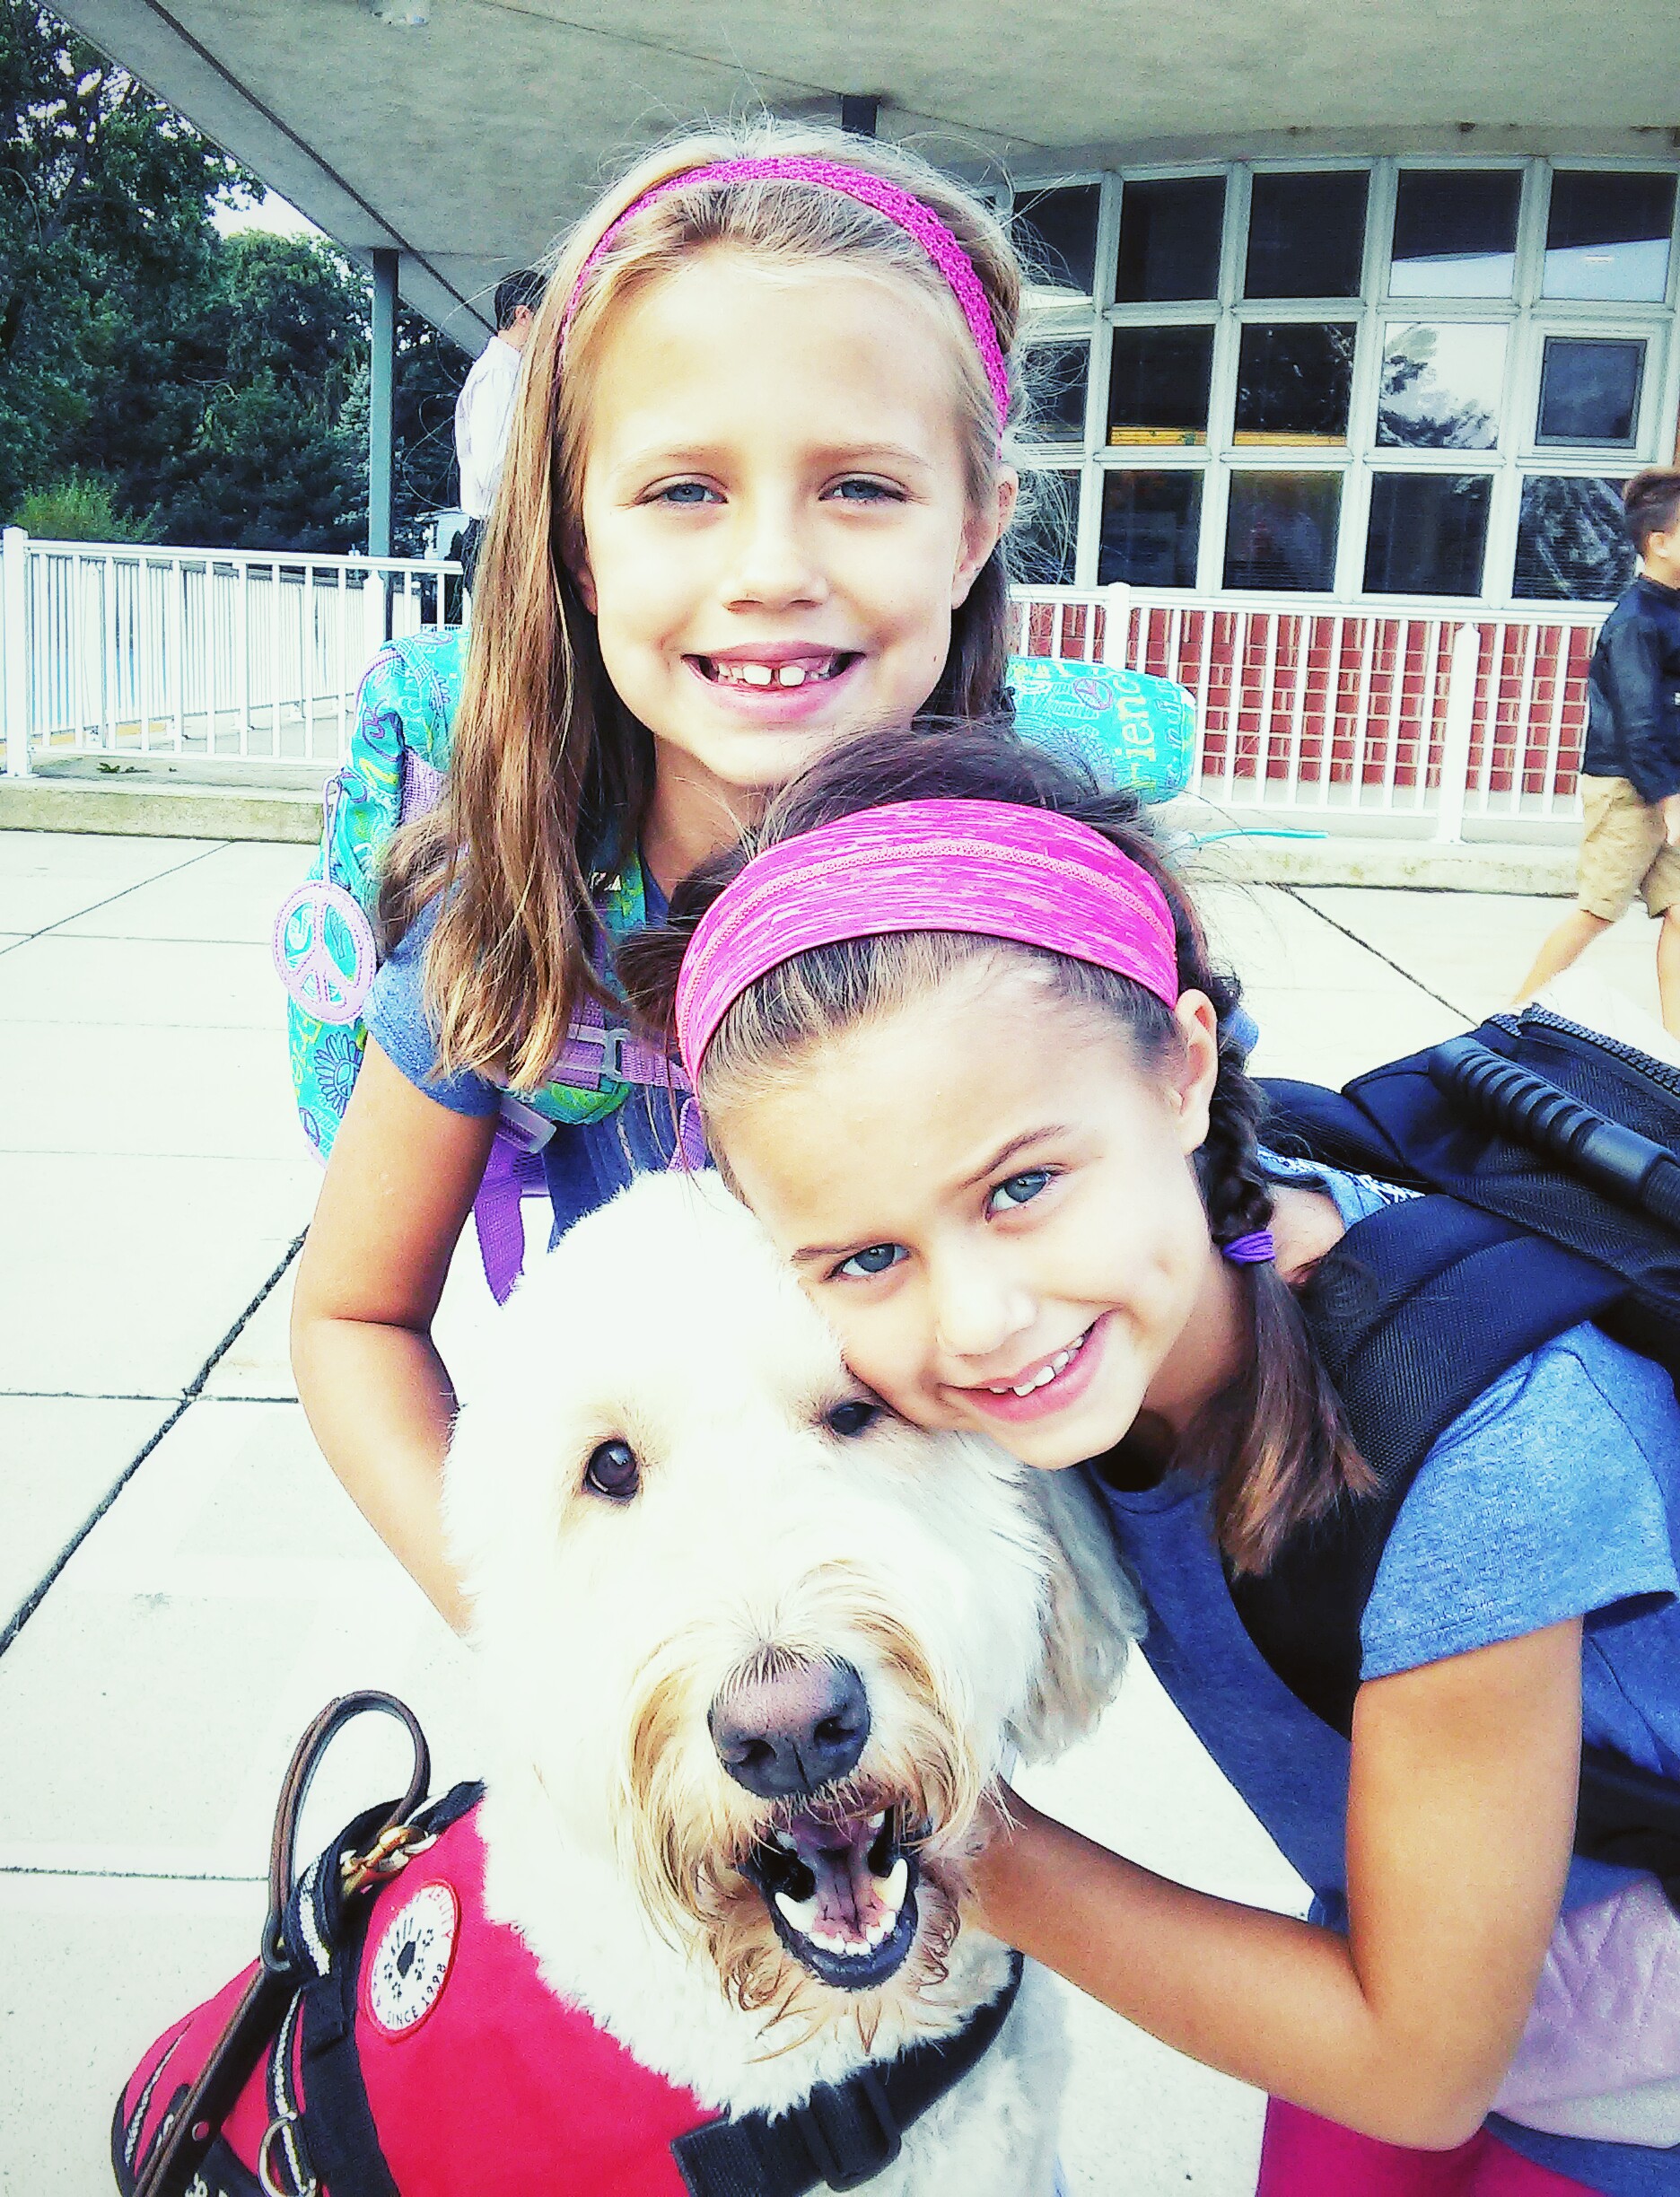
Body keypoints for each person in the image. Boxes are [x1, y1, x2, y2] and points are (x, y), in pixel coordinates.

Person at [619, 721, 1680, 2197]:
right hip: (1389, 1944)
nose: (980, 1317)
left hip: (1627, 2086)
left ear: (1183, 1072)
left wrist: (950, 1835)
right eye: (864, 1252)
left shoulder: (1488, 1454)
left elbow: (1417, 2066)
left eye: (1023, 1184)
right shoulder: (1107, 1316)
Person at [288, 124, 1029, 1630]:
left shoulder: (1050, 935)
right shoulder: (510, 929)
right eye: (685, 488)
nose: (770, 565)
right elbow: (351, 1311)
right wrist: (547, 1646)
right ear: (575, 546)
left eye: (862, 488)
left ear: (974, 528)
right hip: (673, 1638)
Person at [1516, 470, 1680, 1036]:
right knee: (1598, 909)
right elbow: (1640, 721)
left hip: (1666, 787)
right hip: (1631, 789)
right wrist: (1669, 799)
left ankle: (1676, 1043)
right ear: (1659, 541)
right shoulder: (1636, 620)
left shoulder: (1673, 611)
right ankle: (1511, 1016)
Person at [452, 267, 546, 588]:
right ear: (523, 315)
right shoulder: (498, 375)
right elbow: (494, 469)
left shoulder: (510, 371)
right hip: (499, 538)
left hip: (505, 535)